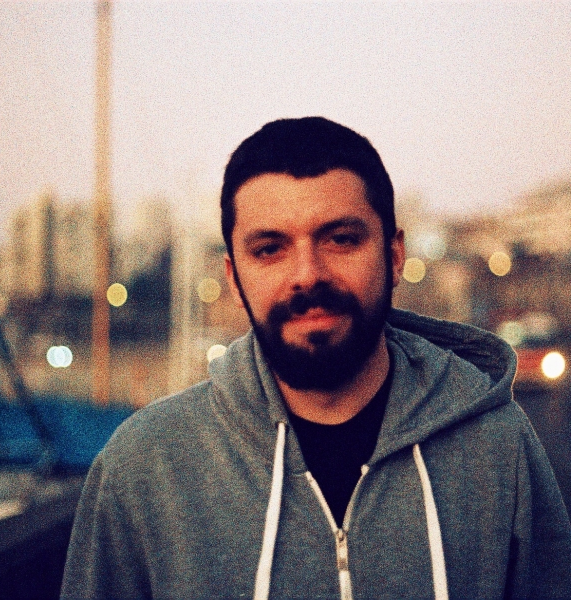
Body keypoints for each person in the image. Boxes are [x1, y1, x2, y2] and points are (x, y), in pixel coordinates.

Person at [61, 117, 571, 600]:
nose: (308, 274)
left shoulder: (497, 448)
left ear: (394, 256)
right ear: (234, 279)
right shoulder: (142, 469)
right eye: (270, 249)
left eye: (341, 239)